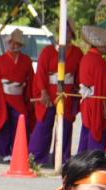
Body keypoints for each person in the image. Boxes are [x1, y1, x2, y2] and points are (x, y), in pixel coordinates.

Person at [29, 22, 83, 165]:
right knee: (43, 125)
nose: (65, 34)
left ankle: (62, 159)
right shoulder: (48, 51)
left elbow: (80, 74)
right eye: (62, 31)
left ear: (72, 33)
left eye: (68, 31)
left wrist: (78, 89)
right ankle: (35, 157)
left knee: (65, 126)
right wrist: (43, 91)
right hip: (49, 91)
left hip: (67, 93)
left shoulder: (77, 52)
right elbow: (40, 73)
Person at [0, 29, 35, 161]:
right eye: (12, 42)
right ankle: (5, 151)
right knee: (5, 123)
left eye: (17, 43)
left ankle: (19, 150)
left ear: (21, 45)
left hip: (19, 96)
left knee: (21, 121)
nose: (14, 45)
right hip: (3, 96)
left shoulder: (26, 60)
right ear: (8, 43)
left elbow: (31, 79)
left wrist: (32, 96)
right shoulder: (0, 61)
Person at [77, 26, 106, 154]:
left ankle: (81, 162)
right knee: (96, 131)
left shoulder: (87, 58)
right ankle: (92, 163)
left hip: (88, 100)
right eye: (105, 45)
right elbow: (103, 87)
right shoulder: (98, 61)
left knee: (86, 131)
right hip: (96, 102)